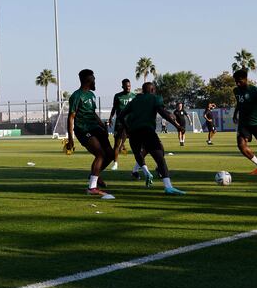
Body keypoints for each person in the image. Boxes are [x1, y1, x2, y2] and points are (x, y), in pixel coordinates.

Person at [117, 82, 186, 195]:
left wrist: (127, 129)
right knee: (160, 158)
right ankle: (168, 186)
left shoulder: (135, 100)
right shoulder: (155, 98)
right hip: (147, 132)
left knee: (138, 154)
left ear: (143, 90)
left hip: (134, 133)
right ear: (153, 90)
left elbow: (120, 116)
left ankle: (145, 172)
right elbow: (163, 113)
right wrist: (177, 126)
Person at [65, 69, 114, 199]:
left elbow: (92, 114)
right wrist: (71, 139)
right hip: (83, 130)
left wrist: (102, 125)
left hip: (95, 128)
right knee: (100, 154)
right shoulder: (76, 96)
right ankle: (92, 188)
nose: (95, 81)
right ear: (88, 81)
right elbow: (71, 118)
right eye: (93, 79)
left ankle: (94, 175)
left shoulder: (92, 95)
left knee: (111, 154)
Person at [107, 78, 135, 170]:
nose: (128, 87)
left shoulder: (134, 96)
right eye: (126, 86)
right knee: (117, 144)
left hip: (131, 123)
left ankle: (139, 164)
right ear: (122, 86)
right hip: (120, 123)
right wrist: (110, 118)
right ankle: (115, 163)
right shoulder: (118, 96)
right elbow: (114, 108)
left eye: (129, 86)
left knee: (136, 143)